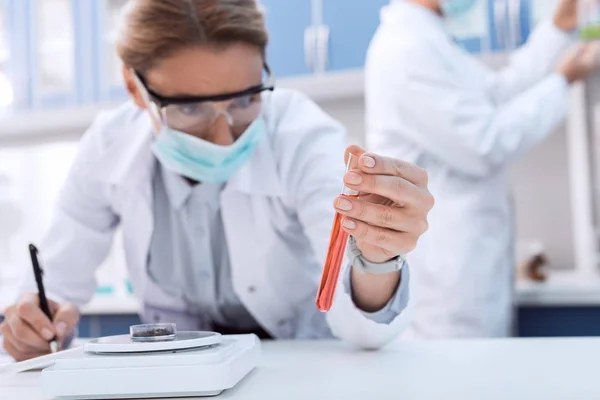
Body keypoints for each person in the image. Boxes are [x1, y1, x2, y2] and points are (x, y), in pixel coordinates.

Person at [0, 0, 434, 361]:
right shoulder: (109, 147)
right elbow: (55, 285)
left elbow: (361, 326)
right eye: (190, 109)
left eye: (246, 99)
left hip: (299, 369)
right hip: (173, 376)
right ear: (135, 89)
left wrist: (376, 258)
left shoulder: (304, 137)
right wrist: (35, 322)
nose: (225, 137)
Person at [365, 0, 600, 339]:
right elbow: (485, 144)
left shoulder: (432, 40)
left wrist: (559, 27)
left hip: (469, 269)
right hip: (447, 280)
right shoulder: (405, 48)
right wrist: (562, 81)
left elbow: (497, 93)